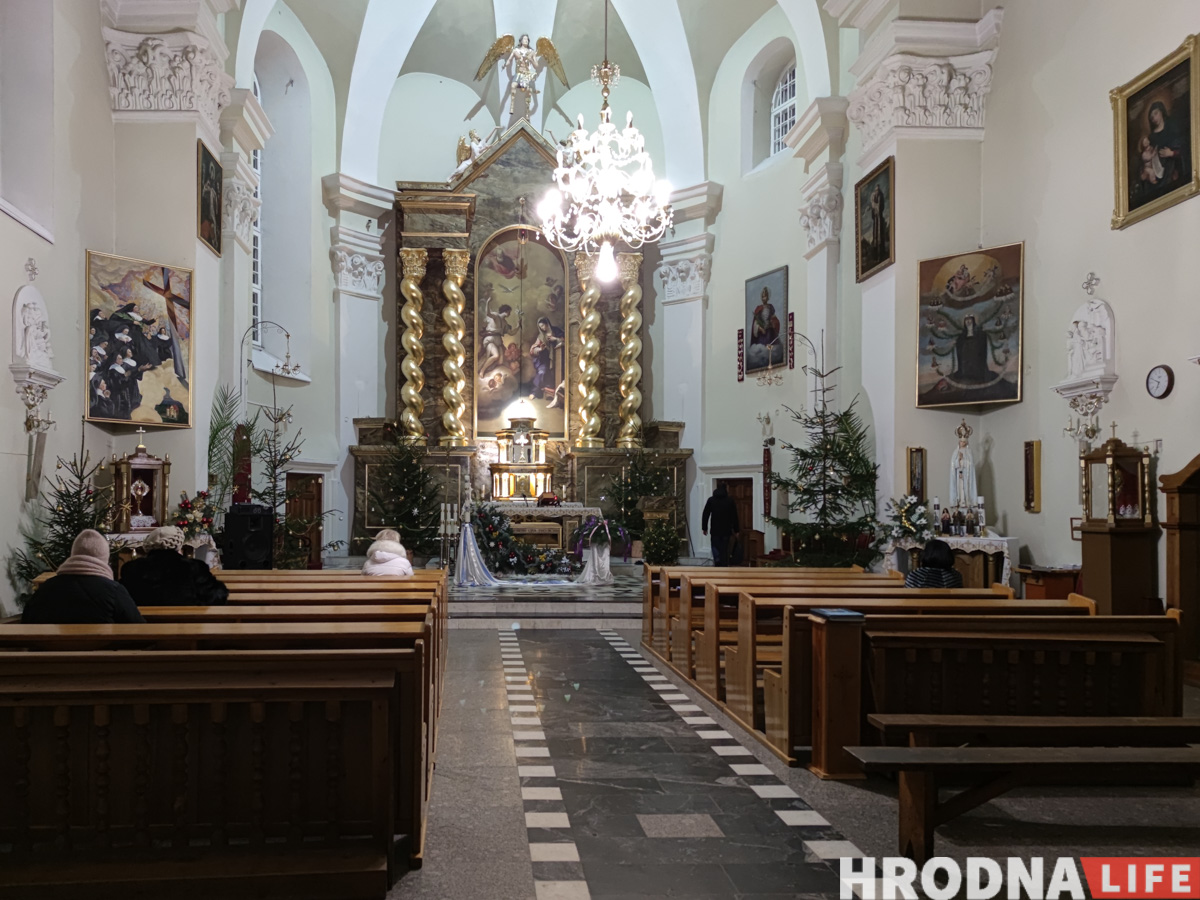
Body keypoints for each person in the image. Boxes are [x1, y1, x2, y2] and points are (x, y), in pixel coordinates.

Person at [21, 529, 145, 623]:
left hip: (50, 650)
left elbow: (27, 620)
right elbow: (137, 626)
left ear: (74, 554)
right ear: (104, 559)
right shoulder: (114, 590)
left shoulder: (46, 587)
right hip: (102, 650)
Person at [120, 526, 228, 606]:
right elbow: (218, 595)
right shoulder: (195, 567)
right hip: (188, 625)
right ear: (178, 545)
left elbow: (122, 599)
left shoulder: (132, 568)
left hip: (142, 626)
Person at [701, 482, 739, 566]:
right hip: (726, 530)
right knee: (724, 549)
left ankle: (717, 560)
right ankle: (723, 564)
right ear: (726, 489)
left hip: (715, 529)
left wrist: (704, 528)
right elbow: (734, 516)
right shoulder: (730, 500)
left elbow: (705, 514)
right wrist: (736, 530)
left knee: (715, 546)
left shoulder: (711, 500)